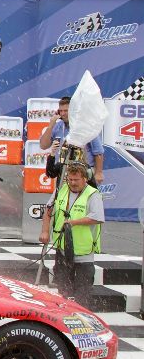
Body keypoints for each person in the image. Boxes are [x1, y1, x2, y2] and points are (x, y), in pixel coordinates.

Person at [39, 161, 103, 306]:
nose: (73, 183)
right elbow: (48, 211)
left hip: (83, 252)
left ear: (85, 179)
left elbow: (97, 217)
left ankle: (82, 314)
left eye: (76, 180)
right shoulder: (61, 190)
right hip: (62, 249)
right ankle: (63, 313)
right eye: (70, 179)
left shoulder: (93, 194)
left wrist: (74, 222)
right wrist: (45, 231)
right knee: (63, 289)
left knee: (82, 292)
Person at [39, 96, 104, 184]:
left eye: (66, 111)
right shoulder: (57, 126)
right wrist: (50, 126)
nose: (63, 114)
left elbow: (98, 152)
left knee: (82, 193)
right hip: (62, 170)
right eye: (61, 111)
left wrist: (99, 173)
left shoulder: (86, 126)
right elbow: (43, 145)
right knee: (61, 193)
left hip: (83, 171)